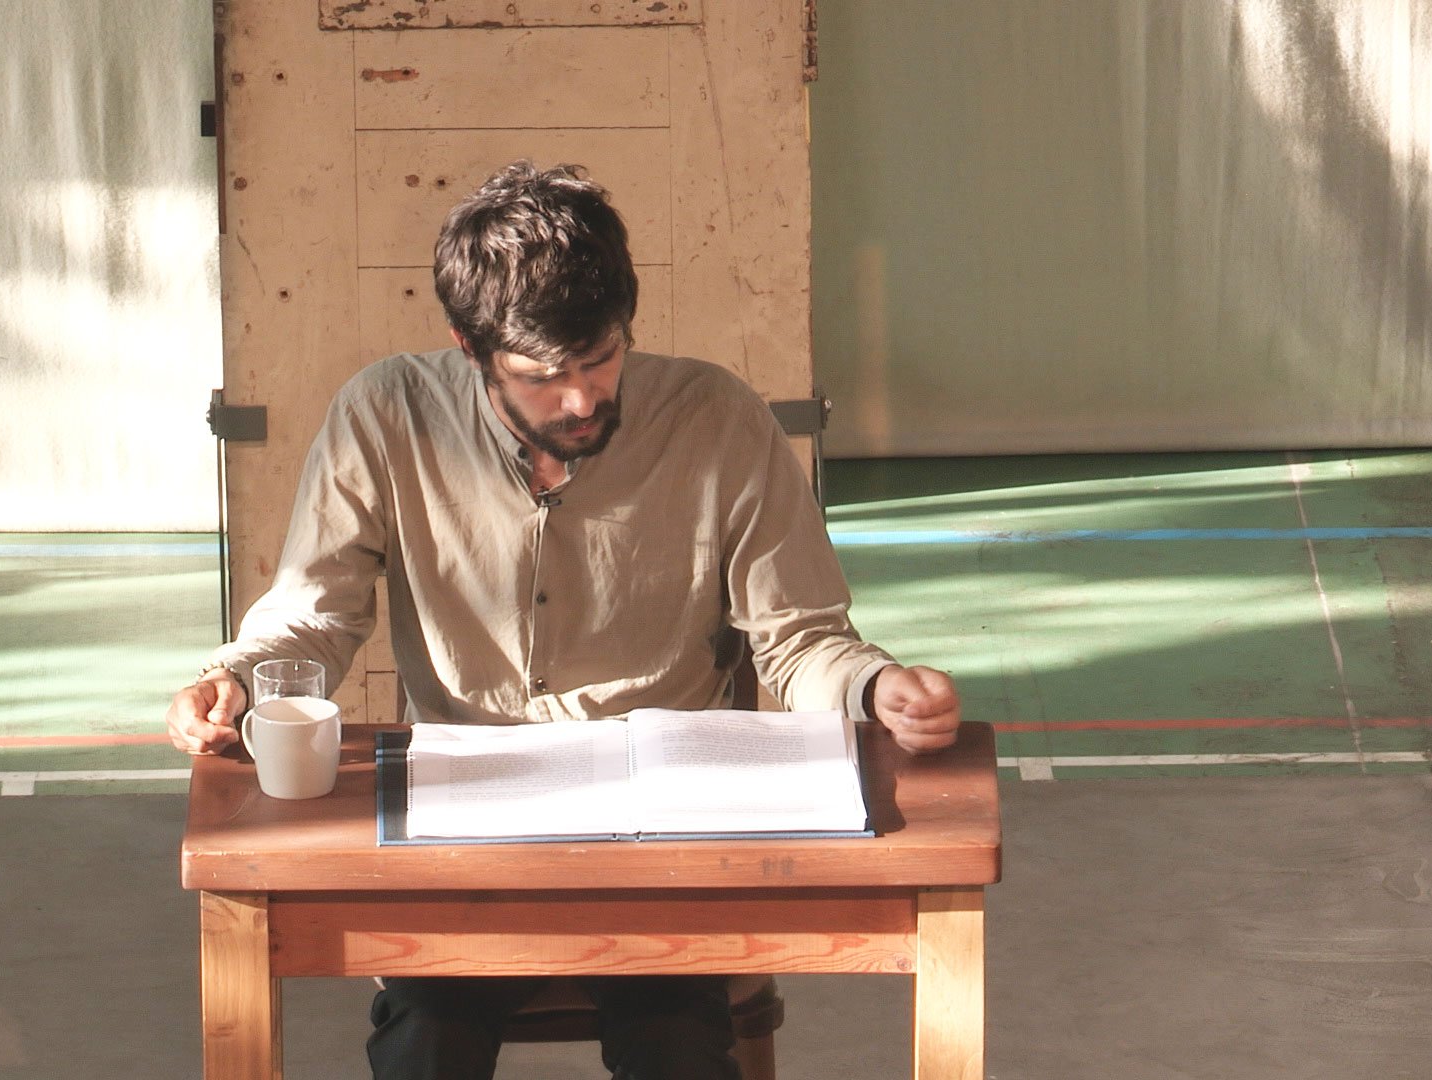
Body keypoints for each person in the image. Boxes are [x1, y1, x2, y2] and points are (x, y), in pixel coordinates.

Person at [165, 161, 960, 1080]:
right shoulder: (386, 415)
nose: (583, 398)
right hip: (467, 826)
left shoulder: (715, 419)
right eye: (545, 375)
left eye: (603, 358)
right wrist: (233, 678)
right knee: (428, 1030)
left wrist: (875, 686)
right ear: (469, 346)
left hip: (666, 832)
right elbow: (314, 613)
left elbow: (798, 638)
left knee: (675, 1040)